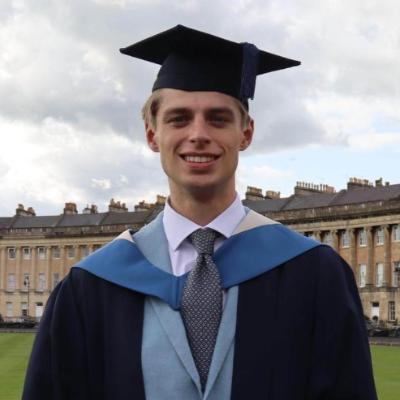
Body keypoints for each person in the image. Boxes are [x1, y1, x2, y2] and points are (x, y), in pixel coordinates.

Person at [23, 25, 377, 400]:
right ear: (151, 135)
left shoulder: (314, 275)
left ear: (246, 133)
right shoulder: (92, 287)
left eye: (218, 118)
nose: (198, 134)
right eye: (179, 119)